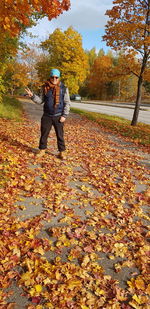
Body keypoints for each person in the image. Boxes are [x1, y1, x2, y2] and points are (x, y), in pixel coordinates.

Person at [25, 69, 70, 159]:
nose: (54, 79)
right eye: (52, 77)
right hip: (47, 115)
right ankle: (42, 150)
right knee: (44, 134)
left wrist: (64, 115)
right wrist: (32, 96)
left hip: (58, 116)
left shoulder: (64, 88)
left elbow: (67, 102)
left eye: (56, 77)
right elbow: (41, 100)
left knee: (60, 135)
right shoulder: (44, 87)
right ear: (50, 77)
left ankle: (62, 152)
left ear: (59, 78)